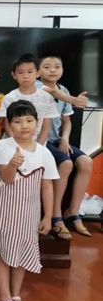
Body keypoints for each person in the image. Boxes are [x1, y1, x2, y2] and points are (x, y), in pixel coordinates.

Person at [0, 100, 58, 301]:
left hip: (29, 214)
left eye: (29, 120)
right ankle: (4, 299)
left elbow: (47, 186)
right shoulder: (2, 147)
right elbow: (5, 179)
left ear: (37, 122)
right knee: (4, 254)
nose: (24, 126)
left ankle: (16, 296)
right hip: (5, 212)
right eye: (17, 121)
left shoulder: (44, 153)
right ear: (8, 125)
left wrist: (48, 216)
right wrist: (13, 164)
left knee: (22, 255)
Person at [38, 55, 93, 239]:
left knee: (86, 162)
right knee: (66, 163)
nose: (52, 70)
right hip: (41, 140)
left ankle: (73, 212)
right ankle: (56, 215)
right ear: (38, 72)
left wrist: (65, 139)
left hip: (58, 140)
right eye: (47, 67)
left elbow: (67, 121)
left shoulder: (64, 89)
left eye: (57, 66)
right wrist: (74, 100)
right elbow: (54, 93)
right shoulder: (36, 86)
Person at [0, 54, 58, 143]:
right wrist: (19, 145)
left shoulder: (47, 98)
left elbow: (46, 127)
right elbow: (7, 125)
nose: (25, 76)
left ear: (38, 73)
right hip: (13, 144)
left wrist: (38, 147)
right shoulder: (9, 98)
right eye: (20, 72)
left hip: (36, 144)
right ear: (14, 75)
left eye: (30, 72)